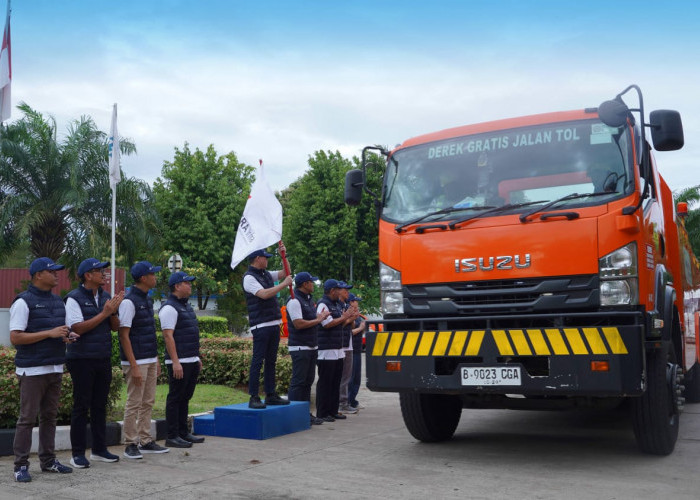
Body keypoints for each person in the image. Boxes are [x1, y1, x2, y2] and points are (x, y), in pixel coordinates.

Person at [10, 257, 74, 482]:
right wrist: (49, 333)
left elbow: (59, 331)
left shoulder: (58, 302)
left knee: (50, 417)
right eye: (52, 271)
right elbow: (15, 337)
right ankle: (20, 466)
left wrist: (67, 336)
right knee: (27, 419)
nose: (57, 275)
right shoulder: (23, 302)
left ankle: (48, 461)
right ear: (38, 275)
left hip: (55, 366)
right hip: (32, 370)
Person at [64, 258, 124, 468]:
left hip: (102, 356)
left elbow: (115, 327)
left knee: (100, 405)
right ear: (88, 275)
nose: (104, 274)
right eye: (99, 271)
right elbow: (77, 328)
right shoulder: (73, 298)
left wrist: (114, 311)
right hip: (81, 359)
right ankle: (78, 453)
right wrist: (105, 313)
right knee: (81, 406)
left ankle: (99, 449)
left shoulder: (106, 296)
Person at [118, 261, 169, 459]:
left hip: (148, 358)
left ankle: (145, 440)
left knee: (148, 401)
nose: (155, 277)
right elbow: (124, 335)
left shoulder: (147, 300)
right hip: (135, 361)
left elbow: (148, 333)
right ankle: (130, 443)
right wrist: (134, 366)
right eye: (152, 274)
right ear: (143, 278)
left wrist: (155, 359)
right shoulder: (129, 302)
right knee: (134, 402)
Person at [243, 247, 294, 409]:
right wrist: (284, 285)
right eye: (265, 257)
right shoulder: (249, 278)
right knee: (258, 361)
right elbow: (264, 294)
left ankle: (271, 394)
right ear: (257, 258)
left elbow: (286, 272)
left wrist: (283, 256)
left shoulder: (266, 274)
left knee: (271, 361)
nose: (267, 260)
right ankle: (254, 396)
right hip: (261, 325)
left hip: (273, 323)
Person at [160, 271, 205, 449]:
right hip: (178, 362)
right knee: (175, 397)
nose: (190, 285)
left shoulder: (186, 306)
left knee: (186, 397)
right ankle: (172, 435)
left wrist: (196, 358)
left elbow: (191, 333)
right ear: (177, 286)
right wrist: (176, 361)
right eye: (187, 283)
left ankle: (183, 432)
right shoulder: (170, 307)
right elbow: (168, 336)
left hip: (190, 359)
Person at [285, 272, 330, 425]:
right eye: (312, 282)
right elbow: (298, 324)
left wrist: (319, 318)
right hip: (300, 347)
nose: (314, 284)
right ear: (305, 284)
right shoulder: (294, 301)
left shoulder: (308, 300)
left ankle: (305, 413)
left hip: (311, 346)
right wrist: (318, 320)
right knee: (299, 382)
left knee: (308, 381)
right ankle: (293, 415)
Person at [315, 279, 356, 422]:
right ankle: (322, 412)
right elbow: (327, 324)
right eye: (338, 289)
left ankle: (333, 411)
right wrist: (344, 317)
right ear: (332, 291)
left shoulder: (336, 304)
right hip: (327, 350)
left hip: (338, 349)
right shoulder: (323, 304)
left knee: (335, 382)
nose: (341, 292)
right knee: (326, 382)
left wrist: (348, 318)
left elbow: (340, 323)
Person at [338, 282, 358, 415]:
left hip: (348, 343)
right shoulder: (336, 306)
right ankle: (342, 403)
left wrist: (353, 319)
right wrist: (348, 318)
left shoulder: (345, 305)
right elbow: (337, 325)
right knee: (343, 377)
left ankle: (344, 402)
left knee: (347, 376)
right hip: (341, 345)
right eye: (345, 291)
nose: (348, 294)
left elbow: (350, 326)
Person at [346, 293, 366, 411]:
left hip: (358, 348)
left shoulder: (357, 316)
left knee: (357, 378)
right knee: (351, 377)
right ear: (350, 303)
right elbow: (350, 332)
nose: (357, 303)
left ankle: (353, 400)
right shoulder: (348, 315)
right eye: (355, 301)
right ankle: (348, 401)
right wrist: (360, 328)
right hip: (351, 349)